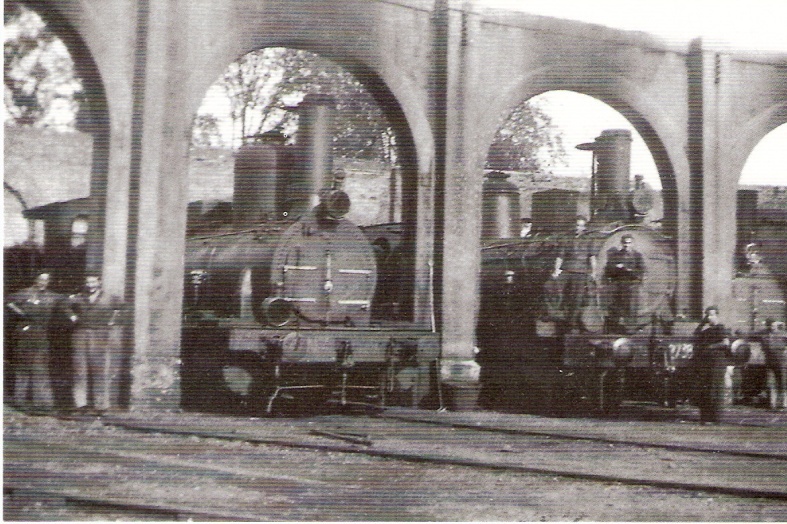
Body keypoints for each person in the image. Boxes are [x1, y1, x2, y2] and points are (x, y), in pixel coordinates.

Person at [5, 273, 65, 413]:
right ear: (36, 280)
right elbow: (8, 301)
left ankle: (43, 404)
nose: (43, 282)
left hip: (41, 334)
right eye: (41, 279)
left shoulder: (52, 296)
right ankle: (20, 401)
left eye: (46, 280)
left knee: (40, 368)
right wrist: (20, 312)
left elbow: (65, 303)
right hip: (26, 333)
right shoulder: (25, 293)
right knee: (23, 368)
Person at [67, 275, 123, 415]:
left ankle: (101, 406)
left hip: (100, 334)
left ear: (99, 282)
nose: (90, 285)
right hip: (80, 334)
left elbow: (122, 309)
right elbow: (64, 305)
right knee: (79, 370)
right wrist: (72, 316)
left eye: (93, 282)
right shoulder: (79, 297)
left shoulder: (110, 297)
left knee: (100, 370)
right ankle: (81, 405)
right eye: (87, 282)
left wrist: (113, 321)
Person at [551, 216, 598, 333]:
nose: (579, 228)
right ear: (573, 225)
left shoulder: (589, 239)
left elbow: (592, 257)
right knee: (550, 287)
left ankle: (572, 323)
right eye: (577, 225)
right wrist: (556, 270)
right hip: (567, 270)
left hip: (582, 271)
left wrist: (594, 272)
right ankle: (554, 314)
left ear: (584, 227)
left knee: (577, 297)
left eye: (582, 225)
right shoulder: (566, 238)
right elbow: (560, 256)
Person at [693, 306, 731, 424]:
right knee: (706, 389)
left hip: (717, 363)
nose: (709, 317)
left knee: (716, 389)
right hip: (707, 363)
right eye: (707, 315)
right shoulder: (707, 330)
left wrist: (711, 346)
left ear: (717, 315)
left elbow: (725, 343)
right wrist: (702, 322)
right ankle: (706, 417)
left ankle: (717, 418)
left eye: (712, 315)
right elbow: (696, 334)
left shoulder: (721, 328)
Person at [604, 234, 645, 332]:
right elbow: (608, 271)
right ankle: (615, 328)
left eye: (629, 243)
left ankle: (630, 328)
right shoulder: (616, 256)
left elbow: (641, 271)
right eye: (625, 243)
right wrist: (615, 268)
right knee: (617, 306)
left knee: (631, 307)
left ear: (633, 243)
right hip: (619, 284)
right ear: (621, 243)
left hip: (632, 285)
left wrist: (628, 269)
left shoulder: (637, 255)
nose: (627, 245)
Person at [759, 319, 787, 410]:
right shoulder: (764, 335)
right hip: (770, 362)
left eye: (774, 325)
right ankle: (772, 404)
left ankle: (782, 404)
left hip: (781, 362)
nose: (773, 327)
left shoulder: (783, 334)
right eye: (771, 325)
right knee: (770, 383)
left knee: (782, 383)